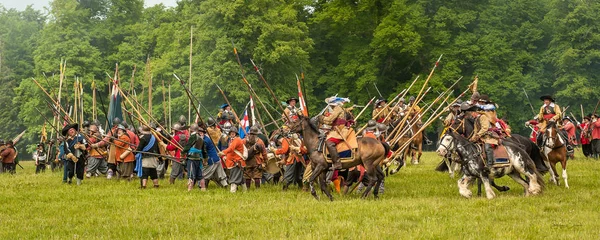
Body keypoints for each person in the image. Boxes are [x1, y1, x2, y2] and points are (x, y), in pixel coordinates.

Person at [318, 96, 352, 170]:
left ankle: (337, 163)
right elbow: (331, 122)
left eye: (330, 104)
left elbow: (330, 119)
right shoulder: (337, 108)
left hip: (341, 130)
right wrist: (323, 120)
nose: (330, 105)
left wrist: (321, 118)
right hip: (337, 128)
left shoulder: (337, 108)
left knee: (329, 142)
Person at [466, 105, 498, 174]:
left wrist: (478, 135)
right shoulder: (476, 120)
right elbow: (475, 130)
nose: (471, 114)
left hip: (488, 137)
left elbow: (485, 128)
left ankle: (490, 164)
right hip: (481, 137)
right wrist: (472, 138)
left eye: (472, 112)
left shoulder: (483, 117)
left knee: (487, 146)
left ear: (475, 112)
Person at [218, 126, 246, 193]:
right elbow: (231, 152)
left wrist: (223, 152)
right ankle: (245, 191)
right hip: (234, 161)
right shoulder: (232, 140)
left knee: (234, 178)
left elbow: (231, 149)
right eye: (231, 133)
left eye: (233, 133)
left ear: (236, 133)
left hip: (236, 162)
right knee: (241, 178)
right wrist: (225, 155)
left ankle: (232, 192)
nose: (232, 134)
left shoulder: (236, 140)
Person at [201, 124, 229, 189]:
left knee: (205, 174)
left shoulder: (205, 140)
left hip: (212, 160)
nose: (200, 134)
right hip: (217, 159)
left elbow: (203, 151)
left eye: (201, 132)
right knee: (220, 174)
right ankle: (225, 186)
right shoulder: (207, 138)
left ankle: (203, 187)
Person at [183, 124, 208, 191]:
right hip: (199, 158)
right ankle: (203, 189)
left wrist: (182, 153)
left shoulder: (193, 137)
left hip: (192, 158)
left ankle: (189, 189)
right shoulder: (201, 138)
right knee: (200, 176)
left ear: (191, 130)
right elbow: (204, 151)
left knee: (191, 174)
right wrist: (205, 160)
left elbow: (187, 146)